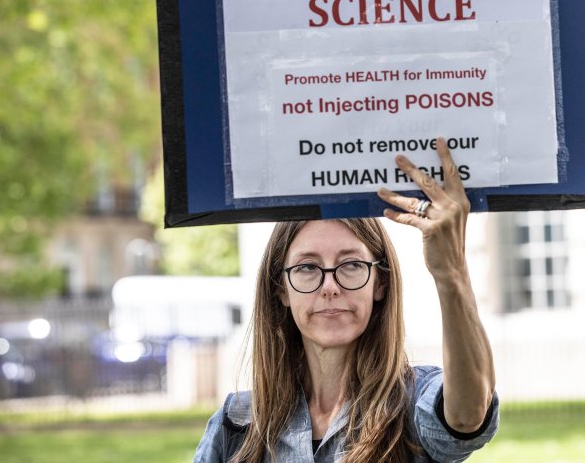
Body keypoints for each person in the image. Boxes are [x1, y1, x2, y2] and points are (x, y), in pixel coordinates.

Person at [193, 139, 498, 462]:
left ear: (380, 283)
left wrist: (451, 272)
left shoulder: (416, 403)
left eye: (351, 265)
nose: (330, 287)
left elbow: (468, 416)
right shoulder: (237, 425)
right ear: (281, 289)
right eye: (308, 267)